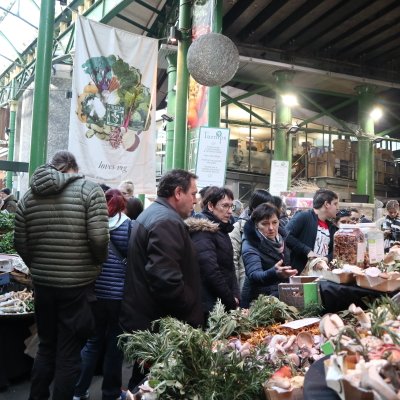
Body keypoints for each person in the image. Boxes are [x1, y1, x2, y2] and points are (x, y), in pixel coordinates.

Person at [13, 150, 109, 400]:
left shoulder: (28, 197)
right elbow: (99, 238)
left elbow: (20, 242)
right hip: (77, 286)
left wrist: (37, 266)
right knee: (68, 354)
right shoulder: (90, 191)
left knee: (46, 347)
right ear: (74, 169)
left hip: (43, 286)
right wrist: (95, 263)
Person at [119, 169, 203, 396]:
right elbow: (166, 280)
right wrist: (189, 309)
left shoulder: (156, 215)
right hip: (158, 325)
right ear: (178, 193)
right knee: (154, 386)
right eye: (193, 193)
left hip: (148, 319)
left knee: (146, 385)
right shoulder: (166, 221)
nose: (196, 200)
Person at [74, 189, 130, 400]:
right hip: (118, 296)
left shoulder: (93, 225)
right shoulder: (129, 227)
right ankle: (111, 393)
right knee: (115, 345)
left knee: (92, 343)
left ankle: (78, 391)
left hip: (95, 293)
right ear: (123, 206)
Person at [186, 186, 239, 318]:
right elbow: (210, 271)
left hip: (220, 303)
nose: (229, 211)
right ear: (210, 206)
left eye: (231, 206)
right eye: (225, 206)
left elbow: (229, 269)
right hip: (209, 305)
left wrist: (235, 294)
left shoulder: (221, 229)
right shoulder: (204, 231)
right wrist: (230, 299)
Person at [241, 203, 297, 308]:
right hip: (257, 302)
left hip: (277, 298)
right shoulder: (250, 243)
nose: (271, 228)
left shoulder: (283, 238)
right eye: (265, 224)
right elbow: (254, 274)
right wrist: (274, 273)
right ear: (256, 225)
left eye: (274, 222)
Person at [229, 189, 273, 293]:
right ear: (254, 207)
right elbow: (232, 260)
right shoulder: (238, 228)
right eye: (265, 207)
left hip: (267, 287)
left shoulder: (272, 229)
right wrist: (235, 290)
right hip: (245, 287)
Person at [285, 189, 338, 273]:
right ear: (327, 204)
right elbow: (286, 236)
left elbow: (335, 250)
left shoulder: (332, 227)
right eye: (335, 203)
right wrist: (307, 251)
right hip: (301, 272)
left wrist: (327, 258)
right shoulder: (304, 217)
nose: (337, 207)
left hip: (322, 274)